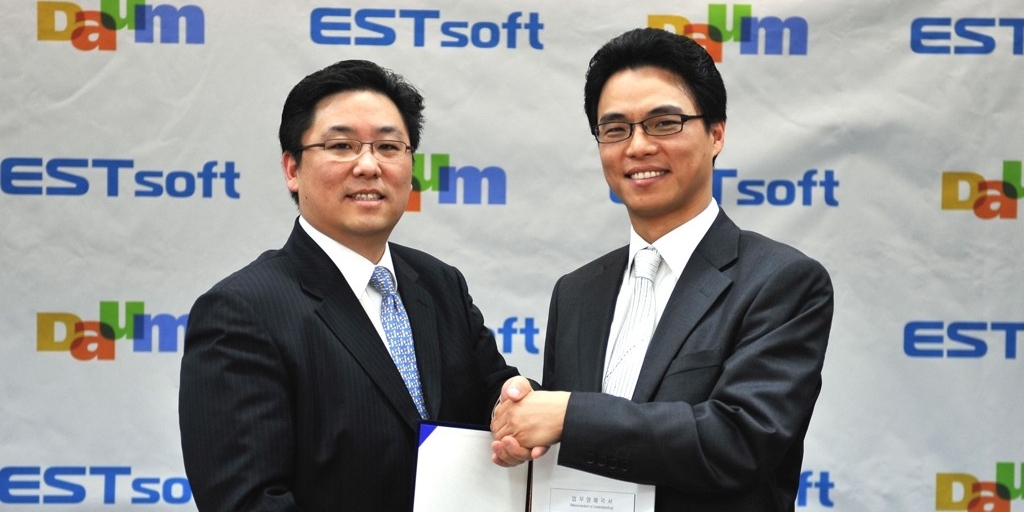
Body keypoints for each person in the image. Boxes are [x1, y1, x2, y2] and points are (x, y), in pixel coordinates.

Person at [490, 28, 834, 511]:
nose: (638, 146)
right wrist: (525, 428)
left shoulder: (781, 281)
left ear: (716, 134)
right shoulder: (576, 292)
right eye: (615, 129)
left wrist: (568, 415)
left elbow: (739, 441)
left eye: (663, 123)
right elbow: (577, 448)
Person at [178, 59, 522, 511]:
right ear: (292, 168)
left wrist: (521, 405)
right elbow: (246, 501)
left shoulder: (440, 283)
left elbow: (493, 394)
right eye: (341, 145)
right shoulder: (241, 311)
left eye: (389, 147)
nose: (368, 165)